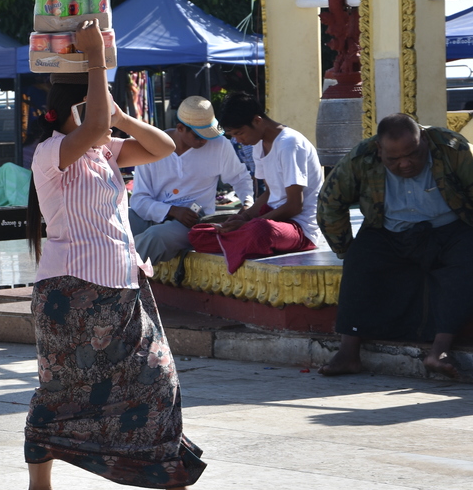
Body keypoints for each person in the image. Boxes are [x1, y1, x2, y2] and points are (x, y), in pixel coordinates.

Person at [23, 19, 234, 490]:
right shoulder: (51, 154)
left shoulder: (102, 151)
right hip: (71, 293)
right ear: (71, 110)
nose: (102, 117)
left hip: (121, 287)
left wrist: (121, 114)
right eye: (95, 104)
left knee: (159, 385)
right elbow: (92, 128)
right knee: (61, 393)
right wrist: (96, 60)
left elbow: (164, 147)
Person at [317, 113, 473, 377]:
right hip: (389, 230)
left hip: (449, 230)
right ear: (379, 150)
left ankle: (440, 351)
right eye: (393, 159)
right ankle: (348, 352)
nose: (405, 164)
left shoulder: (451, 148)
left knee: (466, 261)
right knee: (358, 259)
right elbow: (330, 203)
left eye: (412, 154)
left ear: (423, 139)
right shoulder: (360, 158)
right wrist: (344, 248)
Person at [199, 93, 325, 273]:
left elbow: (295, 206)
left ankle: (241, 238)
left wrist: (249, 224)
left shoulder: (290, 144)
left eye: (239, 133)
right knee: (200, 234)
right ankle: (239, 239)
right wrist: (244, 216)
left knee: (259, 231)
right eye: (233, 135)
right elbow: (268, 193)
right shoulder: (258, 143)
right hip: (271, 217)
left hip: (299, 228)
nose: (237, 140)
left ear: (257, 120)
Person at [129, 96, 255, 265]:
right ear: (180, 128)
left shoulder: (219, 145)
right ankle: (96, 275)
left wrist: (248, 203)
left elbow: (240, 178)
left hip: (194, 219)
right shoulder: (152, 147)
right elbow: (139, 199)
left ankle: (117, 279)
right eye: (198, 136)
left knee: (155, 237)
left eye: (208, 135)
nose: (204, 140)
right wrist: (172, 210)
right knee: (116, 220)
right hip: (154, 213)